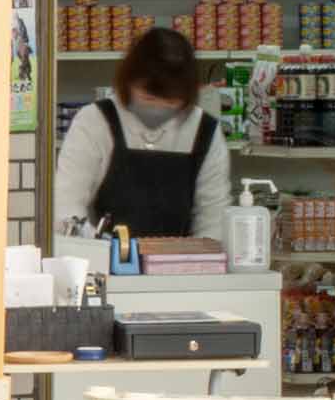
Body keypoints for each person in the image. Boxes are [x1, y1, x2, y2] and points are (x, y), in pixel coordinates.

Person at [54, 25, 235, 240]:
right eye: (149, 98)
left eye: (170, 102)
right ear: (128, 84)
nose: (158, 109)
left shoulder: (205, 132)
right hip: (104, 263)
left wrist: (198, 262)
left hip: (182, 265)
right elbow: (66, 206)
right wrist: (104, 252)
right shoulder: (95, 121)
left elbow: (213, 219)